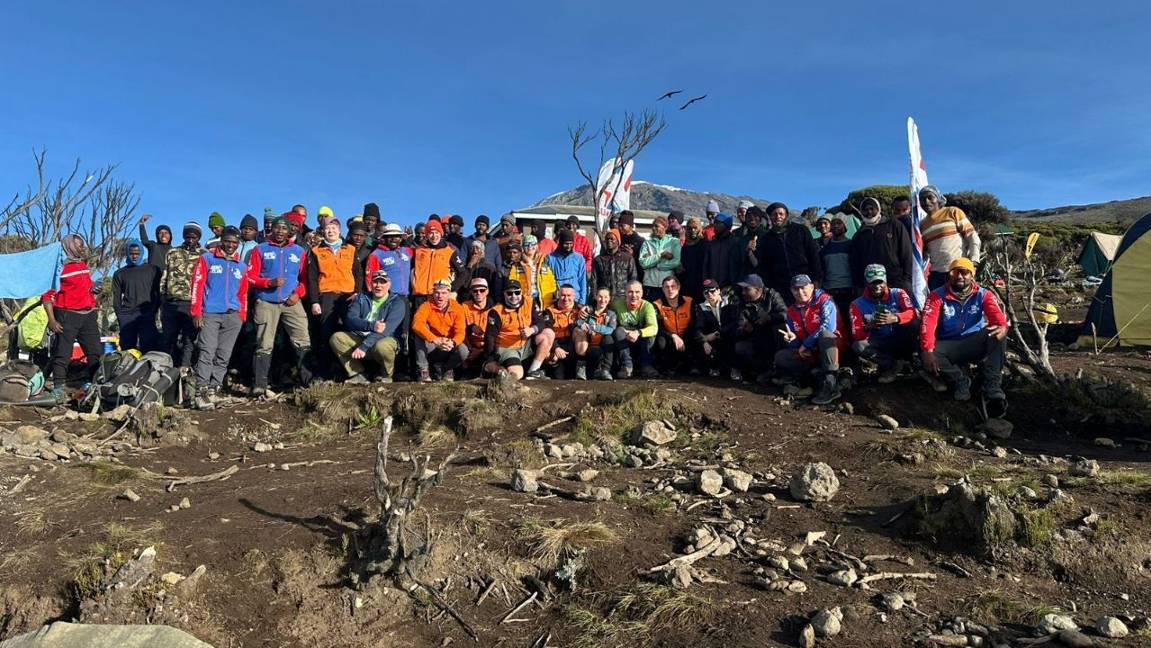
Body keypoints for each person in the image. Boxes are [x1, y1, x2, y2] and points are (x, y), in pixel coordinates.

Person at [919, 257, 1008, 412]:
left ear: (971, 275)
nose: (959, 276)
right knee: (929, 353)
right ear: (949, 275)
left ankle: (992, 385)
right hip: (949, 345)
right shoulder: (936, 296)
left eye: (964, 272)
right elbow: (928, 323)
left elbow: (998, 319)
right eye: (955, 272)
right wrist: (927, 349)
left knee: (998, 334)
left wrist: (1003, 327)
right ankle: (960, 380)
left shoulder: (984, 295)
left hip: (974, 341)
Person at [245, 216, 312, 397]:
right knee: (264, 343)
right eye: (277, 228)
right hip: (267, 301)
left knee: (302, 339)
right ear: (271, 230)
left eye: (284, 229)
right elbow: (250, 277)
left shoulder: (299, 251)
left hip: (292, 301)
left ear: (290, 231)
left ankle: (307, 382)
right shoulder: (260, 249)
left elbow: (305, 279)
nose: (281, 232)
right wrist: (268, 282)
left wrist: (298, 294)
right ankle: (259, 384)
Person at [190, 227, 249, 408]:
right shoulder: (207, 258)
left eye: (234, 243)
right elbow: (197, 285)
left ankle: (214, 390)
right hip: (210, 313)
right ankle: (200, 392)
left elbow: (244, 292)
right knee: (207, 350)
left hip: (232, 315)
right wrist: (196, 311)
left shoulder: (241, 266)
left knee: (224, 354)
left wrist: (242, 314)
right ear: (221, 240)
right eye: (228, 241)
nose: (231, 245)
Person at [42, 234, 102, 398]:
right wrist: (52, 320)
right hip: (67, 315)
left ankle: (92, 382)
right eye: (79, 245)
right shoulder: (59, 268)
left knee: (95, 352)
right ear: (69, 246)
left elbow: (85, 287)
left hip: (88, 314)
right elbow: (47, 296)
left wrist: (94, 289)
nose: (82, 248)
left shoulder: (82, 264)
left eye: (82, 245)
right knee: (63, 353)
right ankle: (58, 388)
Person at [775, 274, 846, 405]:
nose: (800, 292)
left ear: (812, 287)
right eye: (796, 289)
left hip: (834, 348)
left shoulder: (825, 301)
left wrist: (806, 344)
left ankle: (831, 384)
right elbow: (796, 342)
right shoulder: (791, 311)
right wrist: (792, 339)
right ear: (791, 291)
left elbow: (829, 327)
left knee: (825, 335)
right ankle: (813, 377)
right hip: (810, 352)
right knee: (781, 357)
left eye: (803, 287)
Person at [331, 270, 406, 383]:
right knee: (337, 338)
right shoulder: (361, 298)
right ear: (371, 284)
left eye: (382, 282)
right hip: (361, 338)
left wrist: (364, 346)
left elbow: (387, 330)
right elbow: (350, 320)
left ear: (389, 284)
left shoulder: (397, 302)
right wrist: (372, 325)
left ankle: (386, 375)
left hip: (384, 339)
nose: (379, 286)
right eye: (376, 282)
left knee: (383, 346)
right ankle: (357, 374)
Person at [306, 218, 357, 378]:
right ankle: (324, 373)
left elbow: (358, 273)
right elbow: (312, 278)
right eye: (328, 228)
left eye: (334, 228)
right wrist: (314, 301)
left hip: (348, 296)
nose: (331, 231)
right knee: (326, 333)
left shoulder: (350, 249)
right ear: (323, 231)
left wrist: (358, 292)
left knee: (349, 332)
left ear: (340, 230)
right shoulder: (316, 251)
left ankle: (350, 372)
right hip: (327, 295)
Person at [850, 264, 918, 383]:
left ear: (885, 281)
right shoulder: (856, 304)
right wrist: (869, 326)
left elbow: (913, 312)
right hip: (879, 342)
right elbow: (856, 335)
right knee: (858, 345)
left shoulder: (898, 293)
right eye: (873, 283)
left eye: (880, 282)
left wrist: (895, 318)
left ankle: (915, 361)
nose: (877, 286)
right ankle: (892, 365)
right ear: (866, 282)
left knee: (916, 323)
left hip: (900, 338)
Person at [483, 279, 553, 380]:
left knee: (548, 334)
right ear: (504, 294)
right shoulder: (496, 311)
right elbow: (490, 336)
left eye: (517, 292)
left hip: (525, 344)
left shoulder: (530, 302)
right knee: (517, 374)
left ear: (521, 292)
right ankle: (489, 367)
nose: (514, 296)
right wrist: (490, 358)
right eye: (510, 293)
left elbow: (541, 322)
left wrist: (532, 330)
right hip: (507, 348)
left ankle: (533, 371)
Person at [753, 202, 823, 300]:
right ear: (770, 216)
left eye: (781, 214)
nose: (778, 217)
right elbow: (764, 266)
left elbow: (813, 255)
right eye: (774, 214)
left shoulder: (801, 230)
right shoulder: (766, 239)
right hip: (781, 287)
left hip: (805, 283)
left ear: (786, 215)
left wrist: (816, 279)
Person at [161, 223, 206, 372]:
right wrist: (163, 296)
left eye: (194, 236)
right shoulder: (173, 252)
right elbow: (165, 276)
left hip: (191, 303)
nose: (191, 239)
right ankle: (167, 367)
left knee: (189, 339)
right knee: (169, 337)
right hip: (172, 302)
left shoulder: (204, 255)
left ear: (199, 237)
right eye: (188, 236)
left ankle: (185, 368)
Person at [727, 274, 788, 382]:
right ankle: (762, 370)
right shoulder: (742, 302)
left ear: (758, 290)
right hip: (755, 339)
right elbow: (738, 329)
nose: (743, 292)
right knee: (740, 347)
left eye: (747, 289)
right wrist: (746, 330)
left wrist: (769, 318)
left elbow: (785, 314)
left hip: (774, 336)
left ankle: (779, 369)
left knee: (781, 328)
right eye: (743, 289)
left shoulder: (772, 295)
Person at [919, 186, 981, 289]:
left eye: (930, 197)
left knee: (961, 303)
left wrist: (974, 260)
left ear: (938, 198)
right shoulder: (922, 225)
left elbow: (972, 236)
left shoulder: (952, 212)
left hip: (959, 271)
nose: (926, 201)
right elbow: (924, 252)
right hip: (936, 275)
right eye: (922, 199)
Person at [850, 197, 916, 294]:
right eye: (865, 210)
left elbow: (906, 253)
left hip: (896, 282)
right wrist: (859, 285)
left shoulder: (894, 225)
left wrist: (907, 280)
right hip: (870, 285)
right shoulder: (858, 235)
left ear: (878, 209)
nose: (869, 212)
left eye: (872, 209)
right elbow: (855, 263)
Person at [411, 279, 468, 381]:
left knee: (464, 351)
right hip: (432, 344)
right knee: (419, 333)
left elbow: (460, 332)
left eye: (443, 293)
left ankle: (447, 369)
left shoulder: (457, 308)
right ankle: (423, 370)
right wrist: (434, 339)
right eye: (437, 292)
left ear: (449, 294)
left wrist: (453, 342)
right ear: (433, 293)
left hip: (448, 345)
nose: (440, 296)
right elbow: (416, 324)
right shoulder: (426, 306)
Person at [112, 239, 161, 352]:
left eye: (137, 253)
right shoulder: (120, 273)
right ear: (127, 254)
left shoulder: (152, 270)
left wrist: (153, 310)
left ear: (142, 253)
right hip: (127, 315)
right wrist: (120, 315)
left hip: (146, 313)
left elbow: (157, 293)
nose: (134, 256)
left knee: (148, 346)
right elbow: (117, 296)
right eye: (132, 253)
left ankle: (148, 369)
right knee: (127, 348)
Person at [411, 217, 465, 311]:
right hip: (419, 296)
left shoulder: (449, 251)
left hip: (438, 296)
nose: (434, 236)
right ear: (427, 235)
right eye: (431, 233)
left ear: (441, 233)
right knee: (418, 324)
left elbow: (463, 273)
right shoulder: (419, 250)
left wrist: (452, 289)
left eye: (437, 232)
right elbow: (411, 270)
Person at [611, 281, 658, 379]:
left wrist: (638, 332)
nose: (634, 295)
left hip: (641, 339)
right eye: (630, 292)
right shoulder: (616, 304)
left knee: (651, 335)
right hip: (624, 340)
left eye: (637, 292)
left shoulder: (647, 306)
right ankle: (627, 367)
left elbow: (654, 328)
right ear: (625, 293)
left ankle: (646, 366)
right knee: (618, 331)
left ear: (642, 293)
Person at [574, 286, 617, 381]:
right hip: (588, 345)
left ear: (609, 299)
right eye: (600, 296)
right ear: (596, 297)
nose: (603, 300)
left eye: (606, 297)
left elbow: (611, 329)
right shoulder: (588, 311)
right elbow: (578, 322)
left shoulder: (611, 314)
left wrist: (595, 327)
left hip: (602, 346)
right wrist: (582, 324)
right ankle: (581, 367)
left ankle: (605, 370)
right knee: (579, 331)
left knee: (609, 338)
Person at [653, 276, 693, 376]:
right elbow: (658, 327)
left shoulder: (689, 301)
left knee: (695, 336)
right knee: (660, 341)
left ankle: (693, 366)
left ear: (678, 287)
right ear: (662, 289)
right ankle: (667, 367)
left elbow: (694, 324)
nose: (670, 289)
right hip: (670, 338)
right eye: (666, 287)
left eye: (673, 286)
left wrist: (683, 338)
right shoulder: (657, 304)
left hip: (687, 337)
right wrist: (673, 336)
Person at [691, 278, 731, 377]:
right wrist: (704, 342)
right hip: (712, 339)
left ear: (718, 290)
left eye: (712, 291)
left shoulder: (730, 303)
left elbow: (735, 323)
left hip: (728, 336)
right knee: (701, 346)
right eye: (706, 292)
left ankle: (735, 368)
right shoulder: (700, 307)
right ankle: (713, 367)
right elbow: (697, 328)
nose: (709, 294)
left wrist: (718, 333)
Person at [820, 215, 855, 323]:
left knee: (849, 322)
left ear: (845, 226)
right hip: (829, 291)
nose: (835, 226)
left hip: (848, 290)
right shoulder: (825, 248)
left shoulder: (851, 245)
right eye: (833, 223)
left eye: (839, 223)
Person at [639, 215, 682, 302]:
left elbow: (676, 261)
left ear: (665, 227)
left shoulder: (673, 242)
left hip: (668, 285)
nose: (654, 228)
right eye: (653, 226)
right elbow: (643, 263)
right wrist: (660, 255)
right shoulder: (647, 244)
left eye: (657, 226)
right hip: (650, 284)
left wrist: (659, 266)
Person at [543, 284, 581, 378]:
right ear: (558, 295)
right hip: (556, 344)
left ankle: (581, 368)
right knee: (550, 357)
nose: (566, 298)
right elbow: (546, 331)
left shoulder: (580, 309)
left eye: (569, 295)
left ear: (574, 296)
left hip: (572, 345)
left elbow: (594, 311)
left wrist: (589, 309)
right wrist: (556, 347)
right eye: (563, 295)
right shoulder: (549, 311)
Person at [591, 229, 638, 301]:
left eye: (612, 239)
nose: (609, 241)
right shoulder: (598, 260)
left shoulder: (628, 258)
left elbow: (633, 279)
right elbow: (594, 281)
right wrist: (595, 298)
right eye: (607, 239)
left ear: (618, 241)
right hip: (604, 299)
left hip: (623, 298)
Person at [461, 277, 494, 373]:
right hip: (470, 346)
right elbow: (460, 330)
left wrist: (481, 350)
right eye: (475, 291)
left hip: (488, 347)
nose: (478, 293)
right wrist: (471, 348)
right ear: (471, 292)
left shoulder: (496, 308)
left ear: (487, 291)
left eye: (482, 290)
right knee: (461, 351)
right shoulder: (464, 306)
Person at [547, 230, 587, 305]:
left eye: (571, 244)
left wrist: (582, 301)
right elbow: (548, 281)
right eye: (566, 244)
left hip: (575, 298)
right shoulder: (551, 258)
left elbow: (582, 281)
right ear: (561, 243)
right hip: (558, 298)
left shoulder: (579, 258)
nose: (568, 246)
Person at [702, 213, 738, 291]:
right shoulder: (711, 244)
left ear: (726, 225)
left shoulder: (735, 243)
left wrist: (734, 286)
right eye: (715, 222)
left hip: (729, 288)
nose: (715, 225)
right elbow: (706, 266)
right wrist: (706, 283)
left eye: (718, 223)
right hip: (712, 287)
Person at [733, 206, 766, 284]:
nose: (752, 218)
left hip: (761, 282)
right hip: (743, 281)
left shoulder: (767, 237)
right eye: (748, 216)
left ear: (760, 218)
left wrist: (751, 253)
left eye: (755, 216)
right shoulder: (742, 240)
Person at [678, 217, 707, 301]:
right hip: (687, 284)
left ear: (700, 228)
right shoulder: (685, 246)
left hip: (701, 283)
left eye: (695, 228)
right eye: (690, 228)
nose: (693, 230)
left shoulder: (705, 244)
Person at [617, 211, 646, 281]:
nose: (620, 228)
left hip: (635, 276)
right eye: (619, 225)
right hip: (619, 276)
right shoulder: (617, 239)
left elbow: (644, 262)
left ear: (630, 226)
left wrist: (633, 255)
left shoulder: (640, 241)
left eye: (622, 226)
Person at [347, 220, 372, 294]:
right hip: (347, 289)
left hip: (365, 289)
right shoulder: (343, 249)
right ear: (350, 235)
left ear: (365, 237)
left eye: (361, 236)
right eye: (355, 235)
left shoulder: (370, 251)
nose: (358, 238)